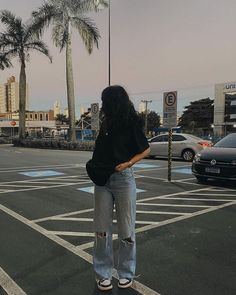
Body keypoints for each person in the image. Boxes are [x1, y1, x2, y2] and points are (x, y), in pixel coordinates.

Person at [86, 85, 150, 291]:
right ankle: (103, 273)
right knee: (101, 230)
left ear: (114, 101)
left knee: (126, 228)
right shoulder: (106, 122)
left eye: (105, 100)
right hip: (103, 181)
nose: (103, 104)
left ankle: (126, 272)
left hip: (124, 178)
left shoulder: (131, 122)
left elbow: (146, 149)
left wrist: (128, 164)